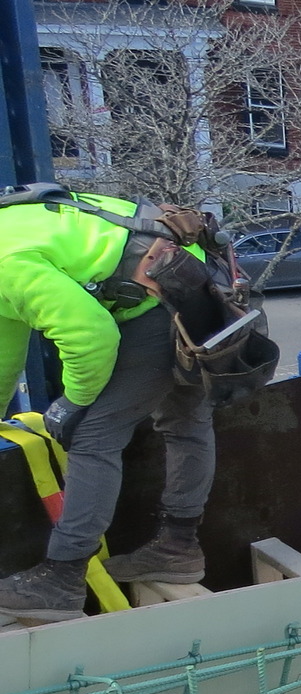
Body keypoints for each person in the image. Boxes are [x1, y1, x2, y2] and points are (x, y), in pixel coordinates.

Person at [0, 185, 251, 621]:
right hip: (197, 276)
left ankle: (62, 578)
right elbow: (5, 349)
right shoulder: (11, 225)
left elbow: (91, 337)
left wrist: (73, 403)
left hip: (159, 298)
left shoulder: (5, 262)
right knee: (185, 417)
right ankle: (177, 546)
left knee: (93, 435)